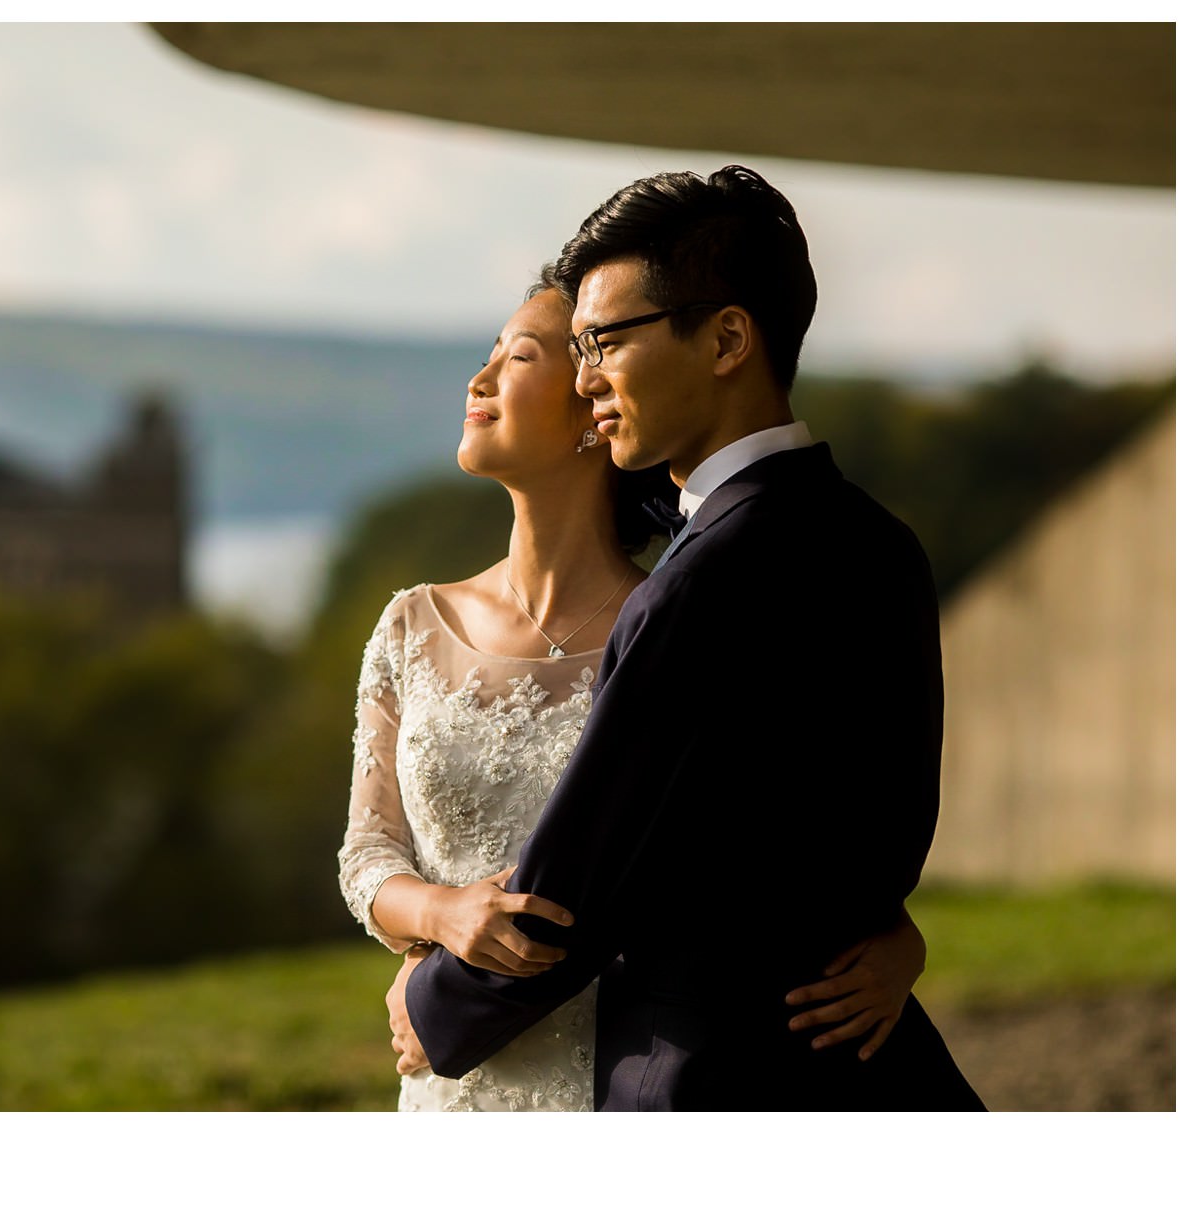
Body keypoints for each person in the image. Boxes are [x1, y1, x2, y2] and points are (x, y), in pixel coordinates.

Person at [393, 165, 984, 1111]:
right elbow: (873, 826)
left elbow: (578, 882)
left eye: (606, 342)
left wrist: (436, 1004)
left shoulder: (698, 585)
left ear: (727, 340)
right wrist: (895, 934)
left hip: (710, 1078)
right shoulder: (884, 544)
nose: (587, 378)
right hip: (874, 1065)